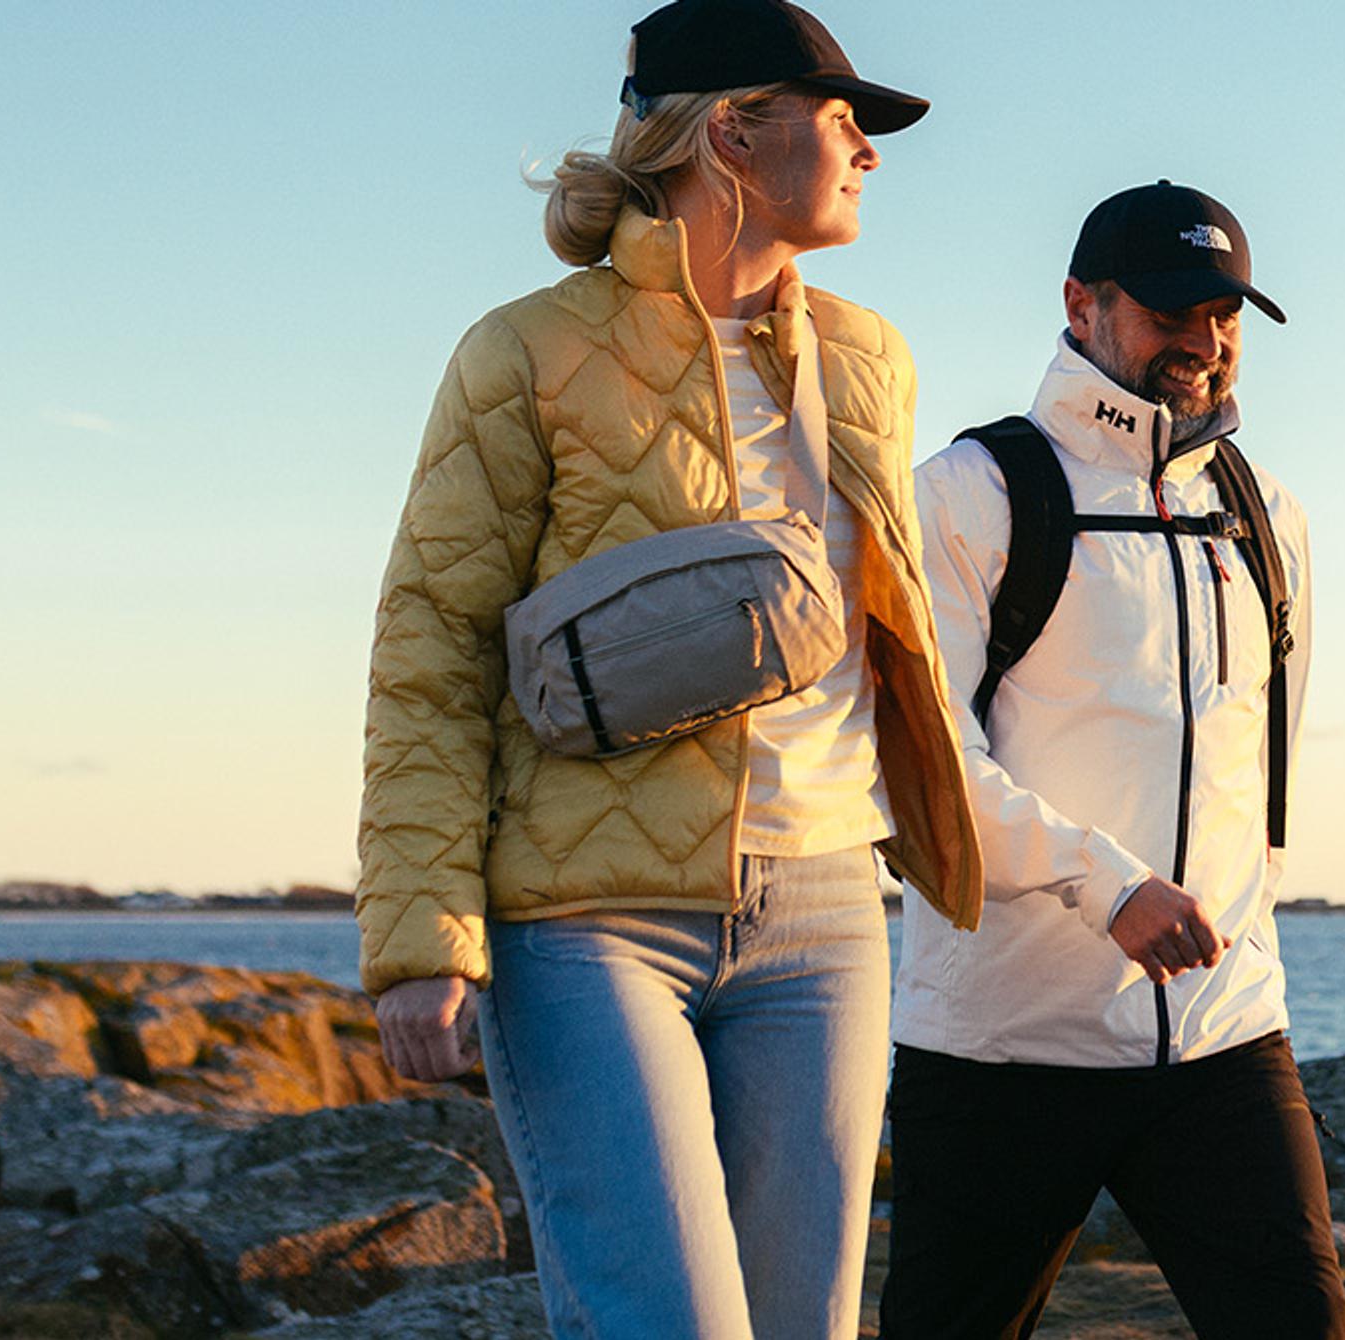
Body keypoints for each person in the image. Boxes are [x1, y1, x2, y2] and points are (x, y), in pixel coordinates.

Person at [352, 1, 980, 1334]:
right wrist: (421, 934)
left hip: (823, 914)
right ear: (734, 131)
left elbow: (893, 638)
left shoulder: (870, 357)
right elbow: (431, 645)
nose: (869, 151)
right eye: (842, 118)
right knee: (665, 1319)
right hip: (587, 921)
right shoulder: (526, 350)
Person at [886, 182, 1345, 1339]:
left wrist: (1247, 920)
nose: (1204, 340)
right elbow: (925, 757)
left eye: (1227, 314)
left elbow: (1271, 758)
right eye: (1170, 310)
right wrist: (1113, 886)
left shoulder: (1266, 512)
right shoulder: (969, 492)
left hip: (1223, 1033)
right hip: (1004, 1042)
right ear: (1082, 305)